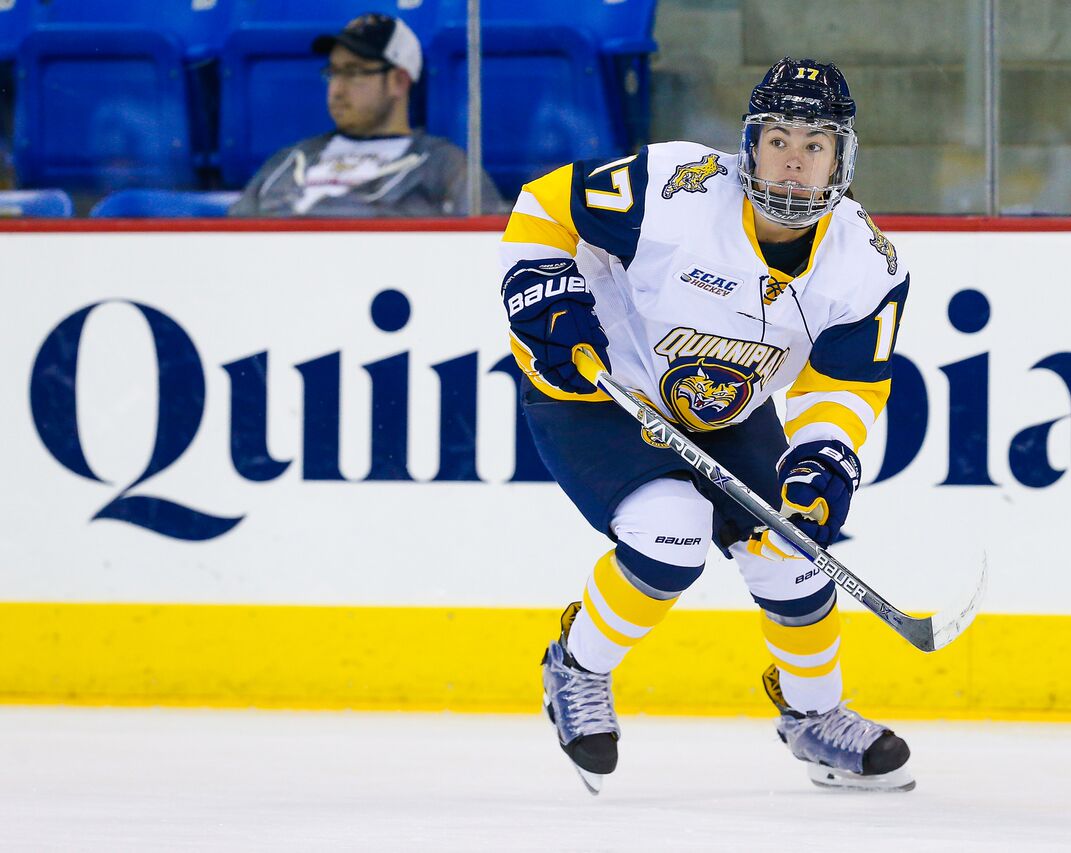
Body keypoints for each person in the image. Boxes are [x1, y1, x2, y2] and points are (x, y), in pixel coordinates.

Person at [499, 58, 912, 794]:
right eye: (777, 138)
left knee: (795, 549)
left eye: (814, 144)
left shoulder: (866, 264)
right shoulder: (675, 189)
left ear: (841, 159)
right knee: (671, 531)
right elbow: (544, 206)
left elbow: (844, 383)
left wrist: (822, 456)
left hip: (727, 410)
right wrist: (543, 292)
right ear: (748, 143)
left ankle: (814, 716)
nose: (793, 159)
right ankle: (576, 667)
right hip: (599, 389)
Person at [230, 13, 503, 218]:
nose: (336, 89)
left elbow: (487, 246)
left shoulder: (443, 164)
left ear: (399, 81)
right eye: (333, 72)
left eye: (353, 72)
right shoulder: (290, 159)